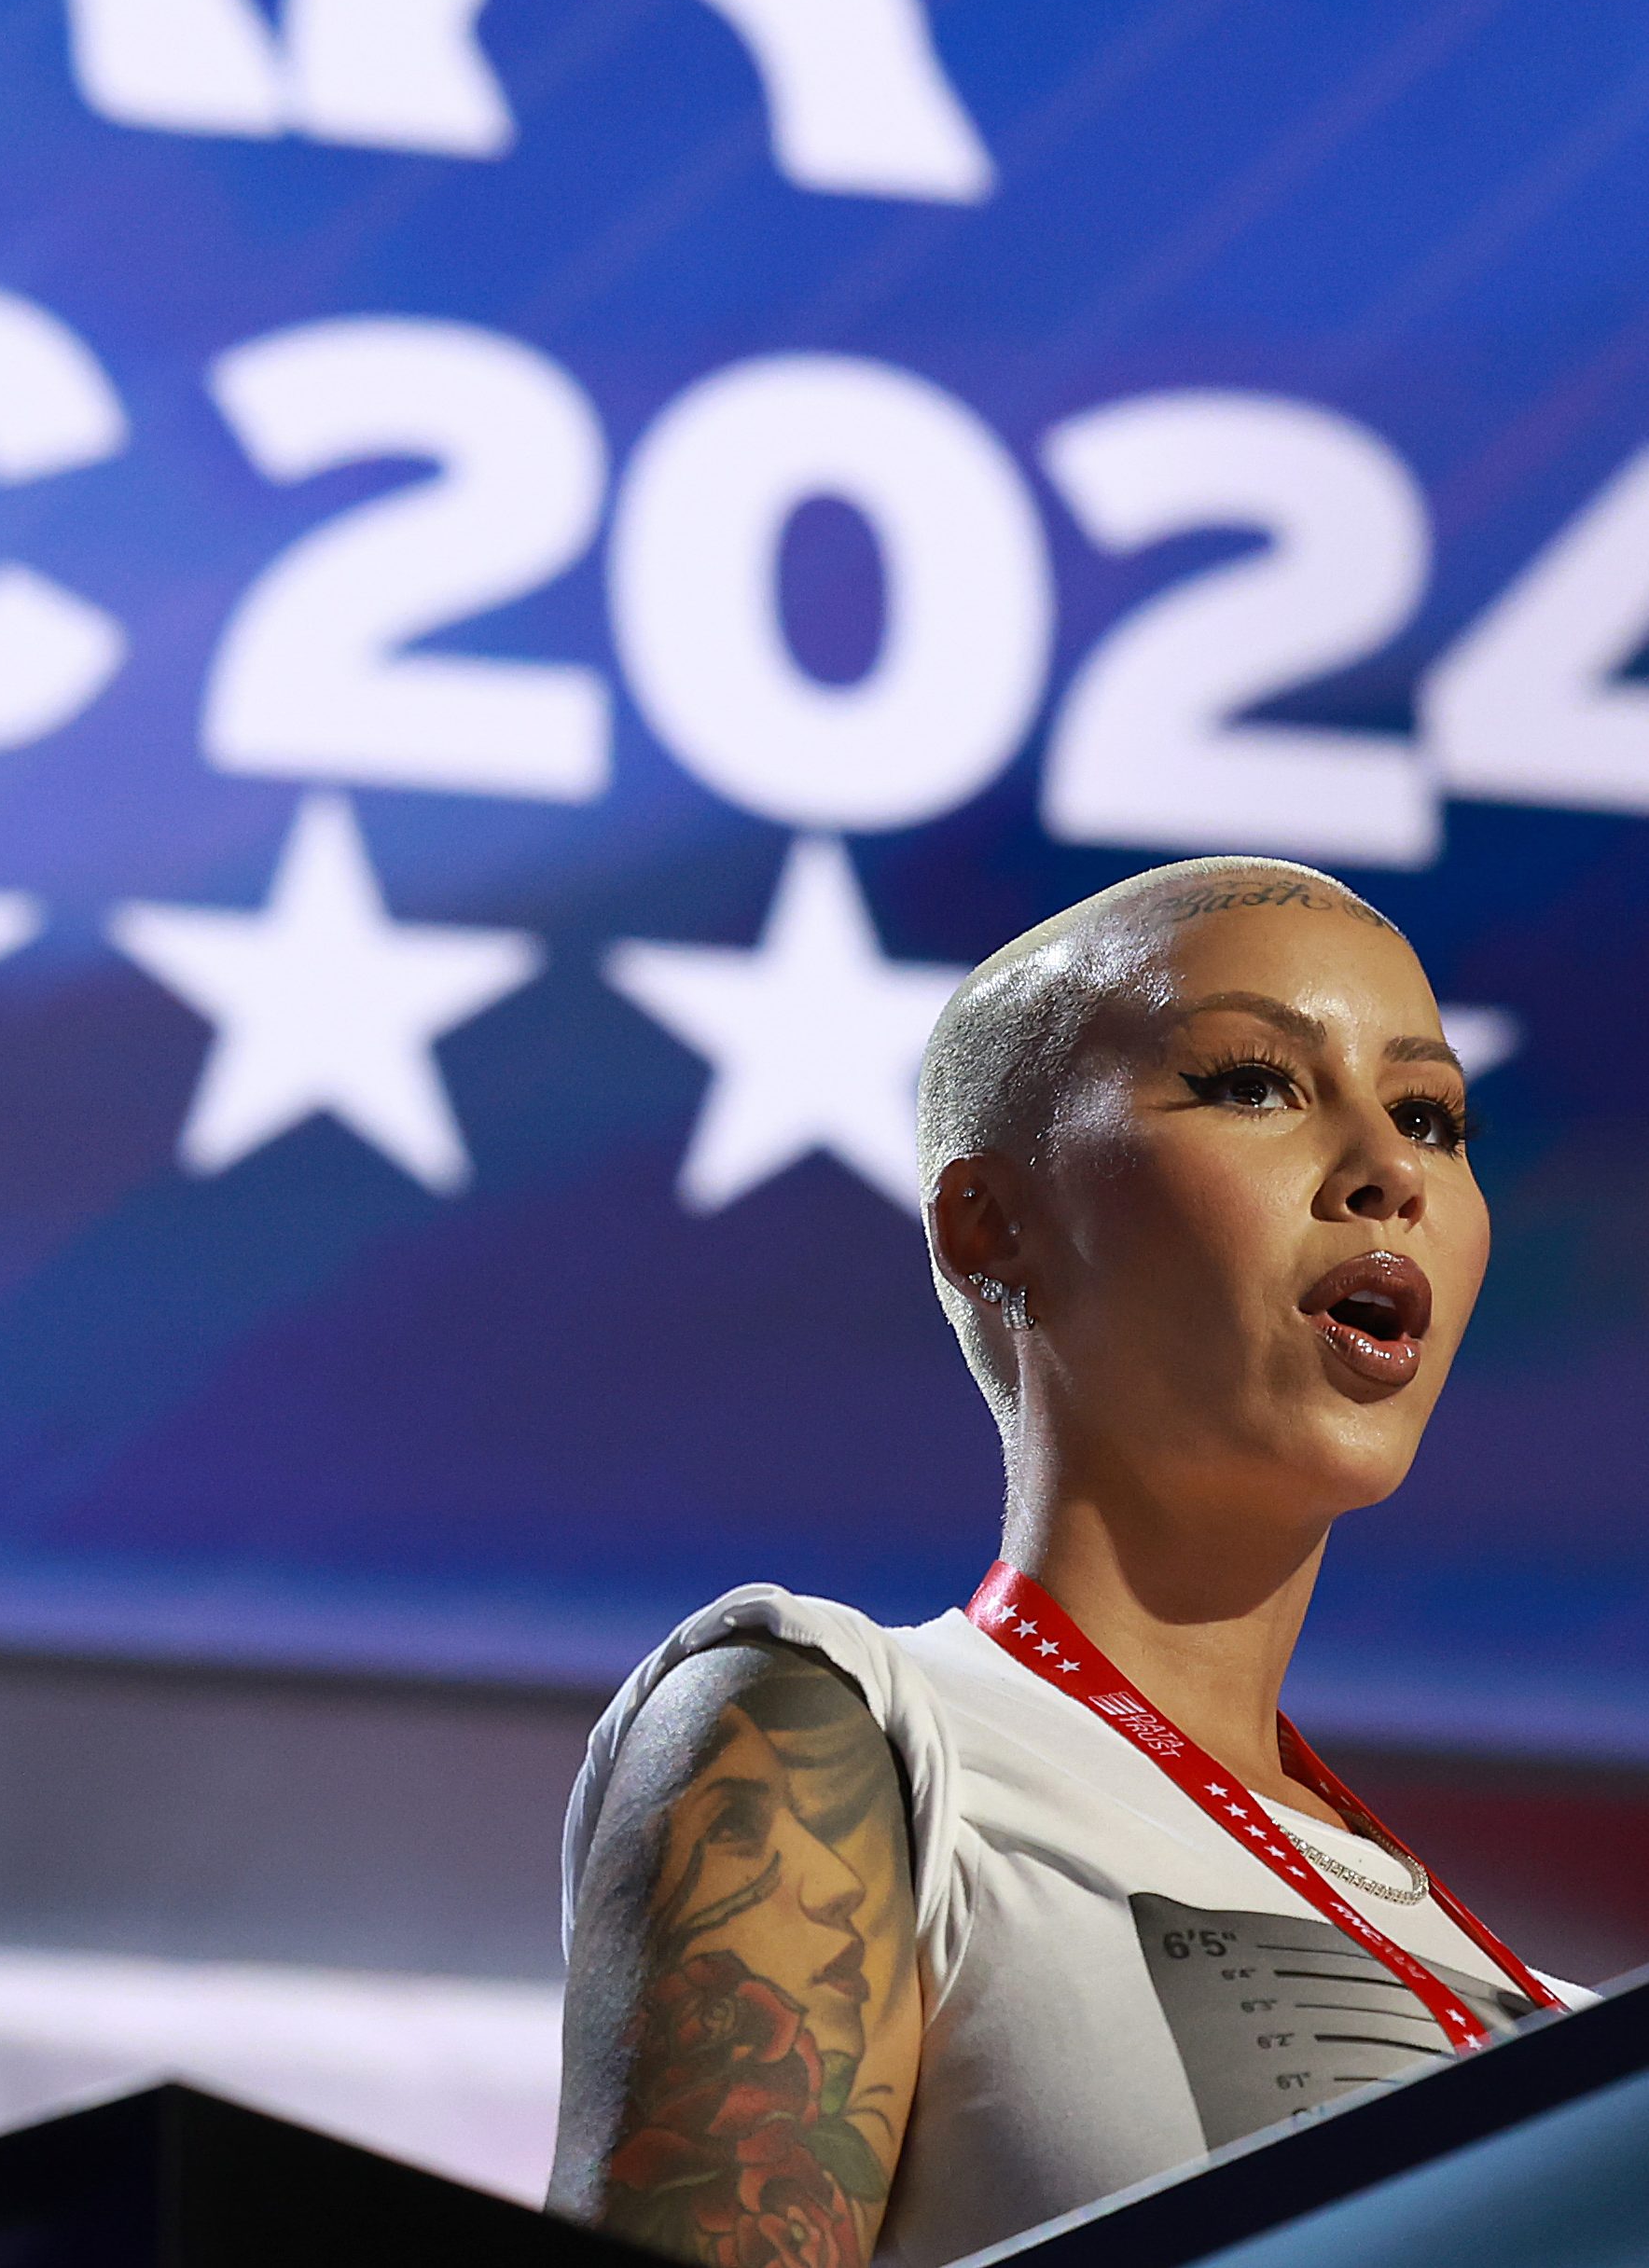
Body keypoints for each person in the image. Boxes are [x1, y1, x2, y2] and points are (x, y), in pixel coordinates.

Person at [550, 854, 1579, 2268]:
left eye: (1429, 1115)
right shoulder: (837, 1733)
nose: (1391, 1170)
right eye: (1254, 1083)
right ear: (993, 1225)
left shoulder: (1571, 2024)